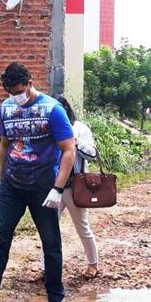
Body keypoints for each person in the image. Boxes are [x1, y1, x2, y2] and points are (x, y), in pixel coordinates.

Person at [0, 62, 75, 302]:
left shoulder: (52, 110)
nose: (15, 97)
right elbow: (4, 145)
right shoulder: (7, 107)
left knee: (50, 242)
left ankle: (55, 296)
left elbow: (69, 150)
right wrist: (0, 180)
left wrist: (58, 188)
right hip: (12, 185)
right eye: (10, 92)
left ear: (30, 83)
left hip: (44, 187)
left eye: (18, 91)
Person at [33, 95, 99, 280]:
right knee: (48, 228)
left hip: (75, 187)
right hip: (52, 187)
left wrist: (75, 141)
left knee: (82, 227)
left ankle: (93, 264)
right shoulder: (47, 128)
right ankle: (46, 269)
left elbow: (93, 154)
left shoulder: (79, 128)